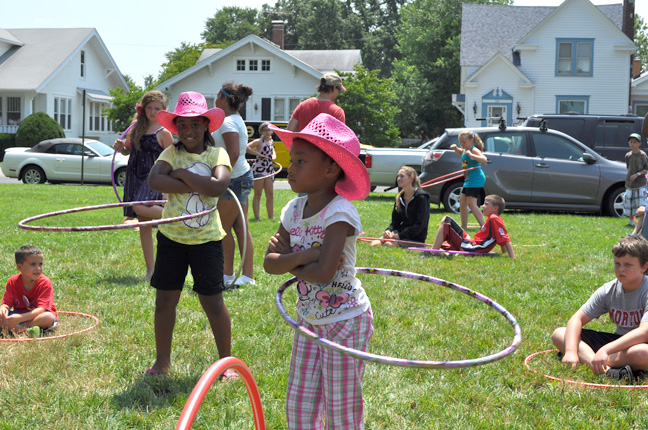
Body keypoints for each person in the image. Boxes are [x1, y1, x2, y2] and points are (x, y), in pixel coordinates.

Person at [263, 113, 373, 429]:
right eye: (291, 160)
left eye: (300, 161)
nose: (290, 167)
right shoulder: (293, 209)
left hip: (345, 321)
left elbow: (325, 273)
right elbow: (270, 264)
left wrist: (291, 260)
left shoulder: (339, 214)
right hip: (308, 318)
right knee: (300, 408)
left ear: (329, 169)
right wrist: (310, 255)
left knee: (341, 411)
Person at [145, 91, 235, 378]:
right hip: (171, 238)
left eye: (195, 124)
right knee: (165, 301)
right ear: (175, 128)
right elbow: (155, 179)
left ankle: (226, 363)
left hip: (207, 239)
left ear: (206, 125)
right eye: (182, 126)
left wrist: (181, 175)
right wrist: (196, 180)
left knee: (212, 301)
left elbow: (218, 187)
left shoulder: (216, 153)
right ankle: (162, 363)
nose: (188, 131)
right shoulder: (170, 152)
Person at [552, 235, 648, 383]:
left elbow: (644, 332)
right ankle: (608, 371)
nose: (621, 269)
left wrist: (605, 350)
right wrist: (571, 352)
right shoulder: (609, 289)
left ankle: (592, 359)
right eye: (617, 263)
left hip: (642, 344)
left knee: (642, 352)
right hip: (619, 343)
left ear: (644, 267)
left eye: (628, 264)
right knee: (560, 334)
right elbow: (577, 319)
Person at [113, 91, 174, 280]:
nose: (153, 111)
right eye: (149, 108)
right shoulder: (137, 128)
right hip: (134, 175)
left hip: (153, 177)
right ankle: (151, 270)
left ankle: (176, 215)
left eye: (157, 108)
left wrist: (166, 188)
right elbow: (128, 151)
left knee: (141, 206)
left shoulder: (164, 132)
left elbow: (173, 159)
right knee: (143, 222)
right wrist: (121, 148)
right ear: (143, 109)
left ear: (163, 110)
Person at [212, 82, 256, 287]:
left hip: (234, 180)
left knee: (223, 228)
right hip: (242, 176)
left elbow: (234, 153)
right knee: (240, 226)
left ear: (224, 98)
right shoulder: (235, 119)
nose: (215, 97)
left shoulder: (227, 122)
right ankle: (247, 276)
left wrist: (221, 176)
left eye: (217, 94)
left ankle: (227, 275)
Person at [431, 194, 515, 258]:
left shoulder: (494, 218)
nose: (483, 206)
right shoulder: (493, 219)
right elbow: (501, 240)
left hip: (472, 247)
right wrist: (502, 254)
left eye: (486, 204)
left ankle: (433, 253)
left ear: (495, 208)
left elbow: (505, 239)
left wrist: (512, 258)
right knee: (445, 245)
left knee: (447, 220)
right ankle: (441, 251)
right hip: (472, 243)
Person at [0, 245, 57, 338]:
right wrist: (3, 309)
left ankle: (19, 329)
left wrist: (21, 319)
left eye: (40, 264)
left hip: (37, 316)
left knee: (47, 317)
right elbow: (6, 303)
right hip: (18, 315)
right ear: (19, 267)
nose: (38, 268)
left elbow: (42, 309)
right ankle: (28, 331)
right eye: (33, 264)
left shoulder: (45, 282)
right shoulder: (13, 281)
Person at [371, 166, 430, 247]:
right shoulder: (400, 197)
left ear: (411, 179)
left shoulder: (421, 197)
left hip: (415, 237)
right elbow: (395, 222)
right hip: (401, 233)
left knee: (388, 244)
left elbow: (420, 225)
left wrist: (400, 236)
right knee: (374, 244)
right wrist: (389, 230)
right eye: (398, 176)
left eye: (402, 176)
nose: (398, 178)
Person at [449, 130, 488, 230]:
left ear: (471, 140)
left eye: (464, 142)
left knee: (471, 203)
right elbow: (461, 153)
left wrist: (472, 155)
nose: (462, 144)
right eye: (460, 142)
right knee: (462, 201)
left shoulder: (474, 150)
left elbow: (484, 160)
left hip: (476, 178)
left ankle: (483, 226)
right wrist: (455, 149)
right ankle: (464, 226)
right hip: (469, 179)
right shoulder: (465, 149)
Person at [246, 121, 276, 220]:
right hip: (259, 169)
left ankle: (271, 217)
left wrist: (273, 157)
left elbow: (273, 152)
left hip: (269, 169)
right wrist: (259, 155)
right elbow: (247, 147)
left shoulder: (271, 141)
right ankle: (257, 217)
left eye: (269, 130)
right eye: (265, 130)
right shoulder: (259, 141)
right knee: (258, 194)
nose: (268, 132)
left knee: (270, 194)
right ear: (261, 131)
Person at [624, 133, 648, 227]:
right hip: (630, 184)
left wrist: (637, 174)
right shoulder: (628, 155)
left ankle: (642, 223)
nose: (632, 144)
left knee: (640, 203)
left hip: (640, 183)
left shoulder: (642, 155)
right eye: (631, 142)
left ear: (639, 144)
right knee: (629, 202)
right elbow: (628, 167)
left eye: (635, 142)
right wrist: (630, 176)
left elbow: (646, 169)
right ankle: (631, 222)